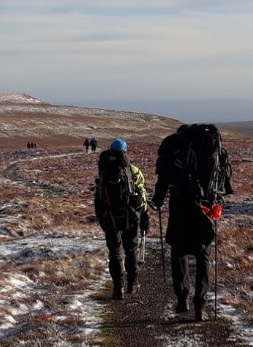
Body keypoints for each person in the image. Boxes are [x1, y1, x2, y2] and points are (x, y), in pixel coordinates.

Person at [152, 124, 233, 321]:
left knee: (179, 250)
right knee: (203, 253)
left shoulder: (174, 147)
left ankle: (182, 298)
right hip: (206, 207)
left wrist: (157, 201)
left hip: (180, 204)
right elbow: (224, 179)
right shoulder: (212, 146)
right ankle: (200, 304)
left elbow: (163, 178)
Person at [94, 139, 148, 299]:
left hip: (109, 216)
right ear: (126, 152)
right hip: (129, 216)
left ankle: (118, 288)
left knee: (115, 252)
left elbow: (100, 194)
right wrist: (144, 213)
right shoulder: (133, 170)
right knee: (131, 249)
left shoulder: (103, 171)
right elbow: (141, 193)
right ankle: (132, 283)